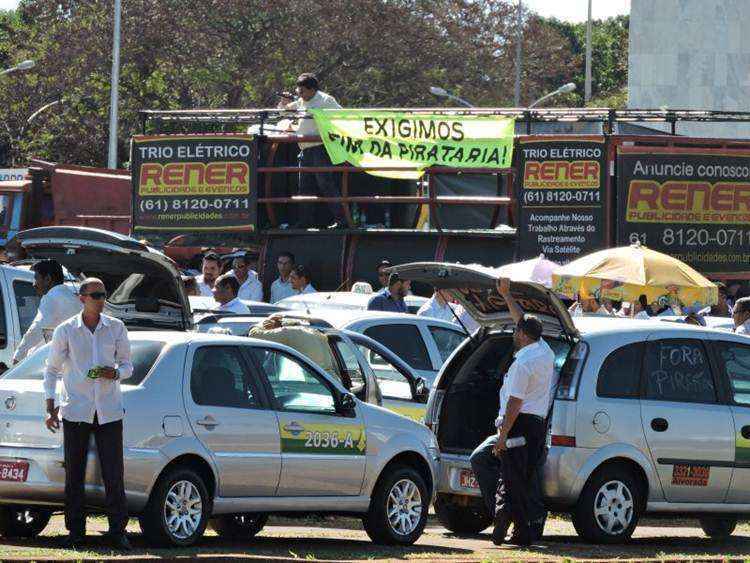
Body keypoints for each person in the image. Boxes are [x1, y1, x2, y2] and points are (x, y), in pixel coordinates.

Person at [43, 278, 133, 551]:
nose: (101, 299)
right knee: (75, 473)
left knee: (113, 473)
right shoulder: (66, 330)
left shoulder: (115, 327)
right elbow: (52, 369)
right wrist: (50, 404)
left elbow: (128, 365)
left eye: (103, 294)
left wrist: (115, 372)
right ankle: (76, 531)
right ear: (82, 298)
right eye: (95, 295)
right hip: (77, 409)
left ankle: (117, 531)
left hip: (108, 410)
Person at [490, 278, 555, 546]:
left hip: (518, 425)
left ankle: (505, 518)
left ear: (522, 336)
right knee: (523, 477)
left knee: (511, 476)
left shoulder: (523, 364)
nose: (514, 334)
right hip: (537, 427)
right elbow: (522, 320)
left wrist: (502, 436)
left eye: (517, 331)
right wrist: (506, 296)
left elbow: (514, 404)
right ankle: (520, 529)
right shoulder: (545, 351)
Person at [279, 73, 344, 229]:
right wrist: (284, 102)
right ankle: (305, 221)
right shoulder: (301, 101)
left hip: (320, 149)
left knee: (326, 185)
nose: (299, 95)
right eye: (298, 92)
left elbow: (342, 116)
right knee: (304, 187)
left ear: (312, 89)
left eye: (302, 92)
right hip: (305, 150)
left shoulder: (326, 100)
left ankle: (342, 220)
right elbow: (283, 112)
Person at [13, 260, 82, 364]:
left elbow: (36, 329)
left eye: (36, 278)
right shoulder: (73, 298)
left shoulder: (52, 297)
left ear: (48, 279)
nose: (34, 284)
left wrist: (18, 356)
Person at [248, 315, 338, 377]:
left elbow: (254, 335)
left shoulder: (288, 332)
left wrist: (262, 323)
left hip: (316, 385)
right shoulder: (316, 333)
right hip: (331, 382)